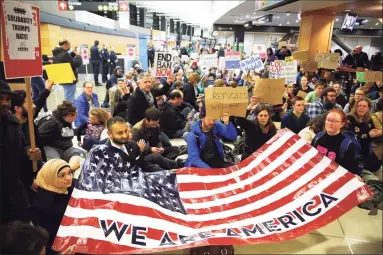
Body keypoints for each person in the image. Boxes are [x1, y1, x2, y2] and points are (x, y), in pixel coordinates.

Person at [0, 81, 40, 224]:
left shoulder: (13, 122)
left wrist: (30, 153)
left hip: (15, 188)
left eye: (7, 99)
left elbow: (23, 146)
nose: (5, 103)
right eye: (1, 98)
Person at [30, 158, 78, 254]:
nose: (68, 178)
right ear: (50, 177)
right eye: (62, 175)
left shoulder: (73, 187)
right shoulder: (41, 204)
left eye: (70, 173)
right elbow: (44, 241)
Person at [82, 117, 158, 177]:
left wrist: (165, 172)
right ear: (110, 134)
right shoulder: (102, 154)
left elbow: (144, 165)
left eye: (126, 131)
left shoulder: (132, 144)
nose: (125, 135)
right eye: (120, 133)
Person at [311, 109, 358, 174]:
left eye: (335, 121)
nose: (330, 123)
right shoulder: (318, 137)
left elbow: (350, 170)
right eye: (328, 120)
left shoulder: (347, 144)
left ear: (342, 124)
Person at [347, 99, 381, 172]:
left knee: (377, 166)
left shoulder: (369, 119)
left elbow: (371, 137)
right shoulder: (349, 119)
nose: (361, 108)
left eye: (364, 106)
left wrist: (375, 133)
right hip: (355, 153)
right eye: (359, 106)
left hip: (367, 151)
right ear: (355, 107)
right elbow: (353, 139)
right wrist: (369, 135)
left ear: (368, 108)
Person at [52, 38, 82, 102]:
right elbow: (75, 64)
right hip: (69, 80)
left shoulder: (57, 53)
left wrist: (73, 53)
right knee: (69, 98)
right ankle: (69, 111)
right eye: (69, 44)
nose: (70, 46)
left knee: (69, 96)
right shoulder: (65, 54)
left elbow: (67, 61)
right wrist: (78, 56)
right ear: (65, 45)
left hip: (64, 79)